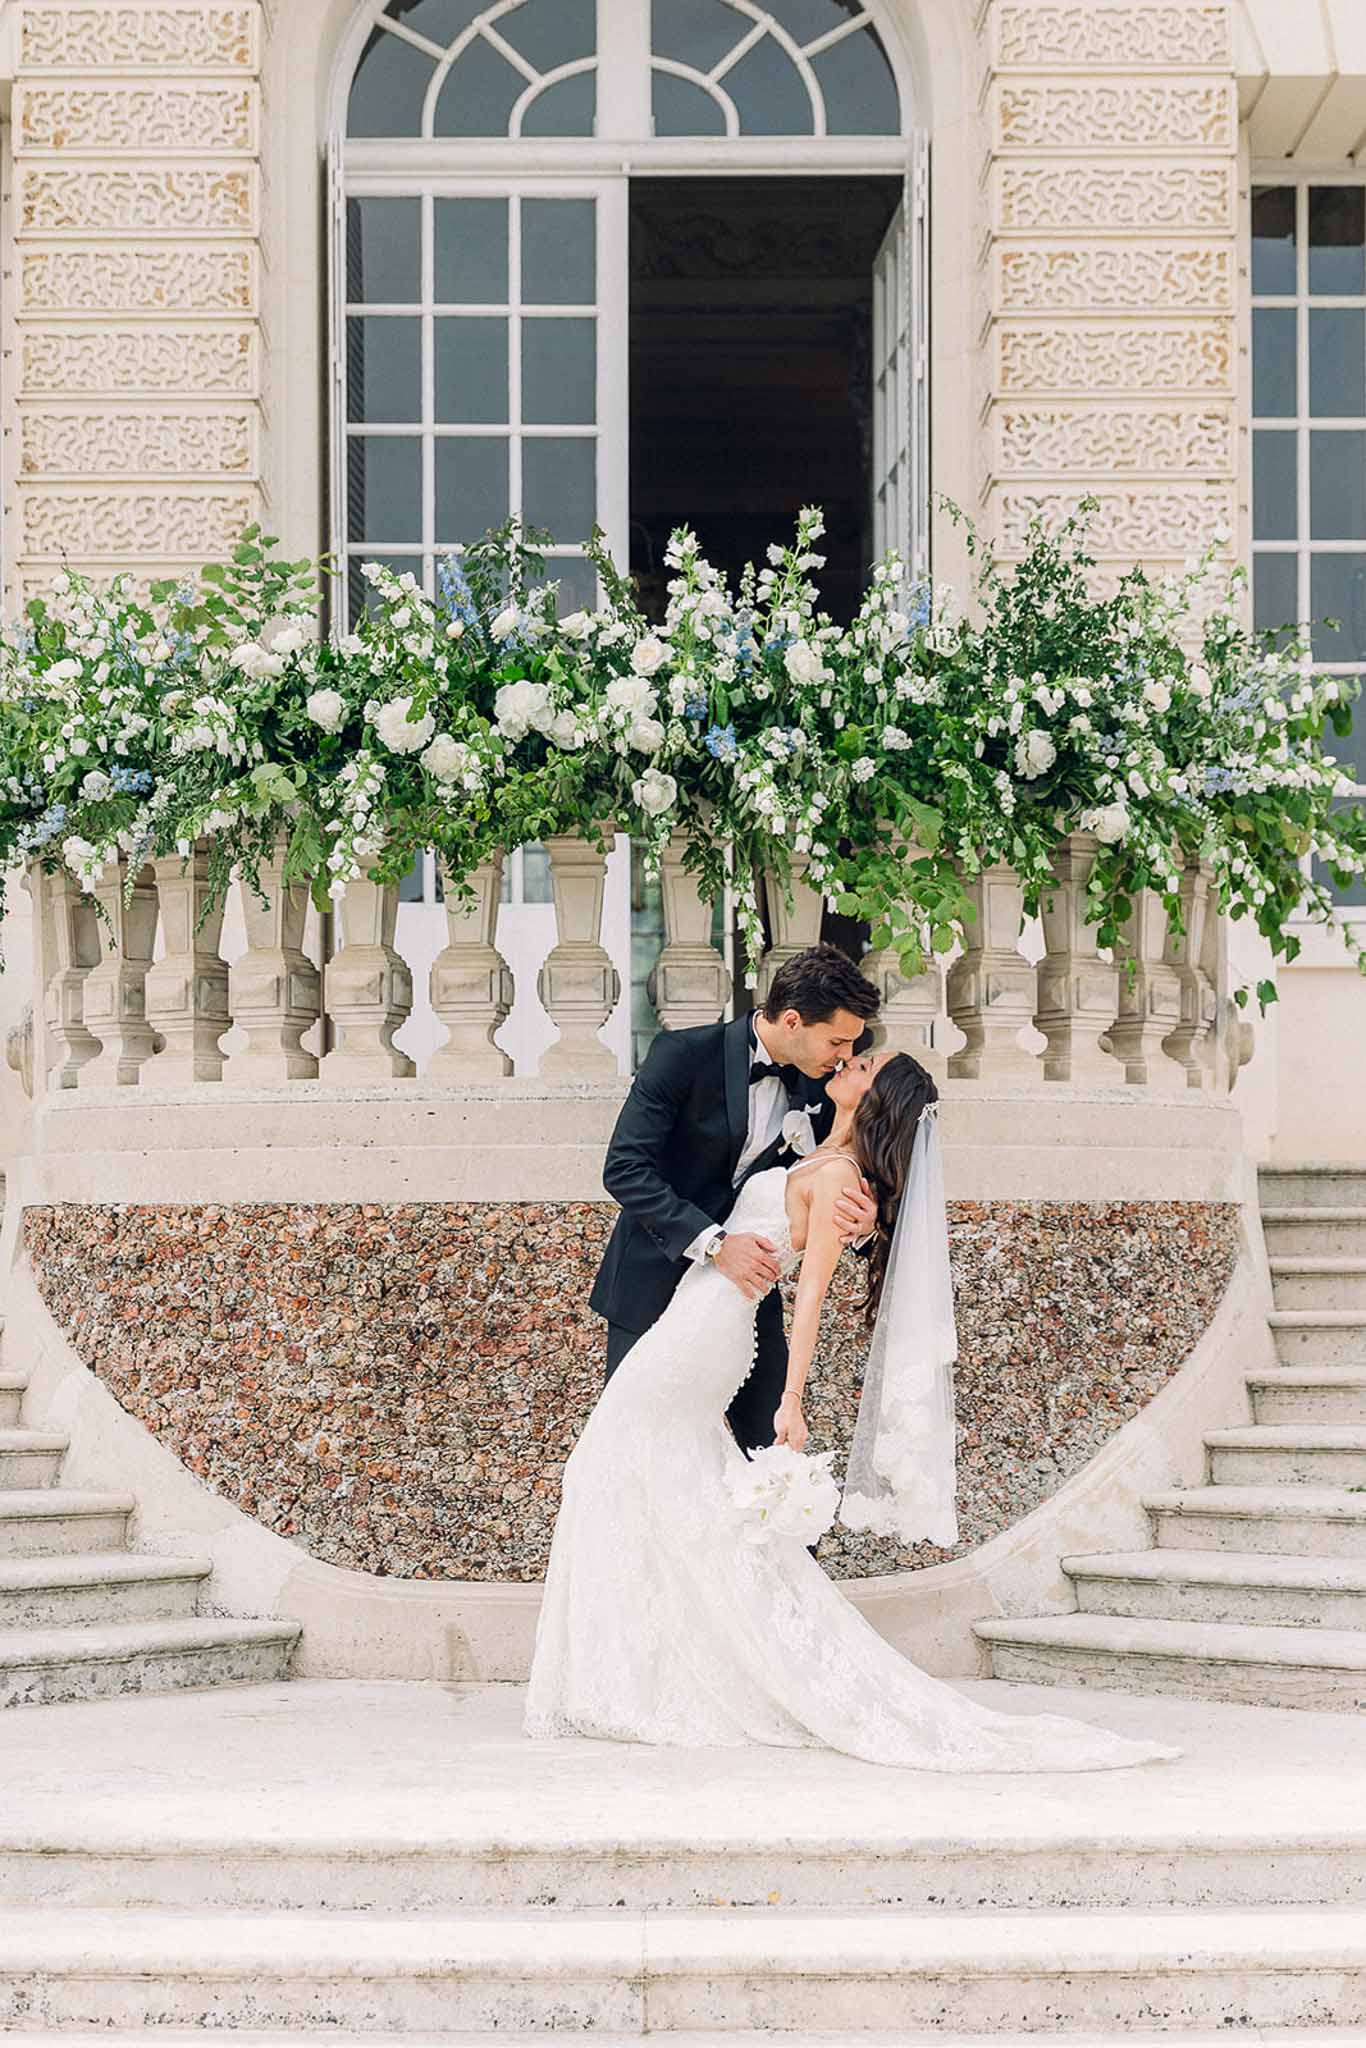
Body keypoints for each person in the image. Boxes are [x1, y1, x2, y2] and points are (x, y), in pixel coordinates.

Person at [526, 1047, 1182, 1773]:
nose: (848, 1060)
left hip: (710, 1332)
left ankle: (674, 1669)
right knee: (643, 1480)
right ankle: (663, 1662)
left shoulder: (838, 1179)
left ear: (874, 1101)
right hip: (690, 1316)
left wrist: (792, 1400)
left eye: (865, 1063)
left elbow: (808, 1297)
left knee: (607, 1465)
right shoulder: (816, 1145)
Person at [588, 943, 882, 1455]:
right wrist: (717, 1245)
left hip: (745, 1302)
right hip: (654, 1284)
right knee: (634, 1452)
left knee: (775, 1454)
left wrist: (865, 1220)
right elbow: (625, 1169)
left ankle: (793, 1538)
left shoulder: (827, 1086)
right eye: (837, 1041)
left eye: (852, 1046)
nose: (847, 1058)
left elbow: (841, 1166)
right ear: (792, 1021)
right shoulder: (682, 1056)